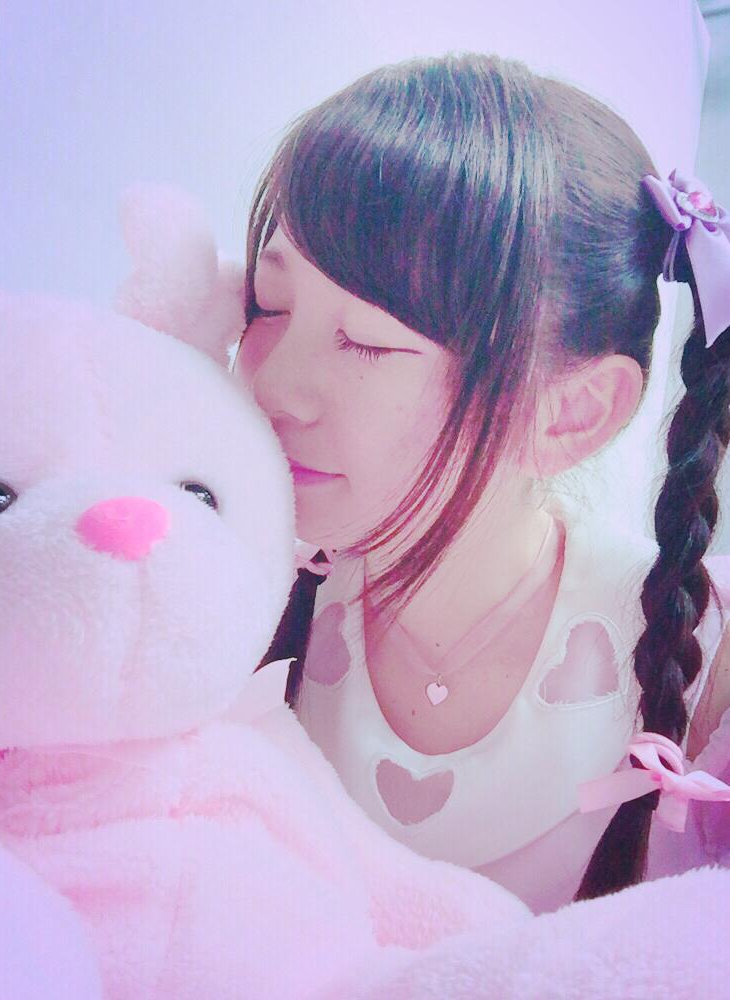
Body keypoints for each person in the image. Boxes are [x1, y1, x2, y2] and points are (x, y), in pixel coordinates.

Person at [234, 52, 730, 913]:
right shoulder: (230, 599)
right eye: (269, 306)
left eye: (365, 340)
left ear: (567, 413)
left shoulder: (709, 662)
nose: (272, 383)